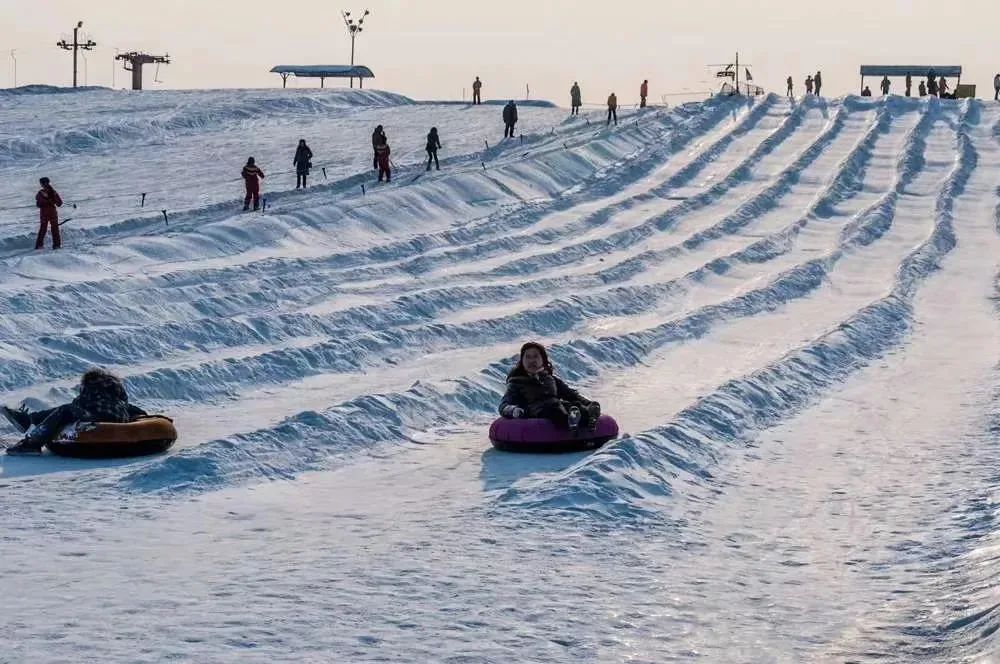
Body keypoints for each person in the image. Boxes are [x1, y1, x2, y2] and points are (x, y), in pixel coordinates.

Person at [3, 368, 148, 455]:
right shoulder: (118, 398)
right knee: (68, 409)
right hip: (118, 423)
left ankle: (32, 442)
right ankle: (29, 419)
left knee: (65, 410)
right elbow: (137, 410)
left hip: (95, 419)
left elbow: (77, 404)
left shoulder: (92, 389)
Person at [498, 342, 601, 432]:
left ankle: (587, 418)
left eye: (535, 356)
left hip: (557, 405)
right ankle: (570, 422)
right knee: (554, 409)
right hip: (536, 411)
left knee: (575, 405)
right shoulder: (516, 382)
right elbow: (504, 405)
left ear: (543, 359)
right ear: (522, 360)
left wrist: (588, 403)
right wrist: (514, 411)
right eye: (528, 357)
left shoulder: (550, 379)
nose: (531, 361)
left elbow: (570, 394)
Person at [34, 176, 63, 250]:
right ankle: (57, 245)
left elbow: (38, 204)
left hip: (44, 213)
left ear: (42, 184)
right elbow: (59, 203)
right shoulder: (54, 192)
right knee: (55, 229)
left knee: (43, 229)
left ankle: (39, 246)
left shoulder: (40, 193)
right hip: (53, 213)